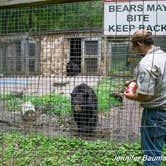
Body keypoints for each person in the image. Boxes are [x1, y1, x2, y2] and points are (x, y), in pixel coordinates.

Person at [124, 29, 166, 166]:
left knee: (152, 153)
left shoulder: (147, 62)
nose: (135, 51)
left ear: (140, 43)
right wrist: (136, 80)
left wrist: (132, 96)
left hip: (156, 114)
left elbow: (146, 95)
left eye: (135, 47)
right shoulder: (164, 57)